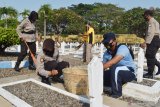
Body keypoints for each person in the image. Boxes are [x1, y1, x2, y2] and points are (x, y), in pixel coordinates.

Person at [102, 32, 136, 98]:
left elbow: (112, 62)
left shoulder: (122, 48)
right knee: (103, 74)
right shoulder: (106, 53)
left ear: (114, 41)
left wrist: (99, 68)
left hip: (129, 72)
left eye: (109, 43)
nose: (107, 45)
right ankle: (115, 82)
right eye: (105, 43)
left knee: (115, 68)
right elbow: (103, 64)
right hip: (115, 72)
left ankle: (117, 93)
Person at [141, 9, 160, 78]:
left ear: (147, 15)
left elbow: (150, 33)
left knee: (150, 56)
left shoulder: (151, 22)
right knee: (149, 56)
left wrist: (146, 43)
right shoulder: (154, 21)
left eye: (144, 16)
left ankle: (150, 74)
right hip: (155, 40)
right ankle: (158, 66)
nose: (144, 17)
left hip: (153, 40)